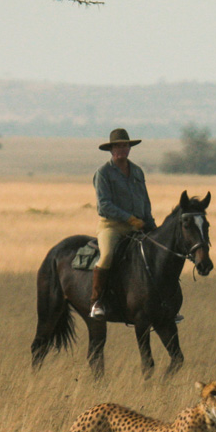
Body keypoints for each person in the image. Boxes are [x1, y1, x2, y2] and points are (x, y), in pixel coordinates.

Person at [90, 128, 157, 318]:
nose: (122, 149)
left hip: (138, 225)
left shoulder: (137, 171)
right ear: (111, 150)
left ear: (129, 148)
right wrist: (130, 219)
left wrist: (150, 224)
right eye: (118, 146)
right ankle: (96, 301)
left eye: (125, 145)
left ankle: (162, 304)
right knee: (108, 255)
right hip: (112, 226)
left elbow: (145, 200)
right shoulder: (103, 173)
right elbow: (104, 206)